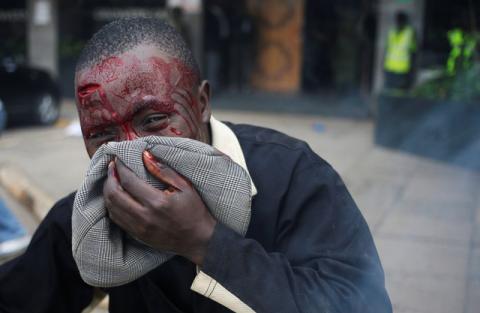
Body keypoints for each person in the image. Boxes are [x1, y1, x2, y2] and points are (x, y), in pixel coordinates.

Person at [0, 18, 392, 312]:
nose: (133, 152)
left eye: (153, 120)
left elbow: (361, 304)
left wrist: (204, 242)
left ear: (202, 103)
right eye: (103, 136)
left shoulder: (292, 177)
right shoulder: (96, 215)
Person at [383, 11, 417, 90]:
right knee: (389, 91)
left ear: (404, 21)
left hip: (402, 70)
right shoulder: (391, 32)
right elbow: (387, 49)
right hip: (389, 68)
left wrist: (412, 69)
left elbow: (413, 52)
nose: (398, 22)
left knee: (399, 92)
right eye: (397, 20)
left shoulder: (410, 33)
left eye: (400, 20)